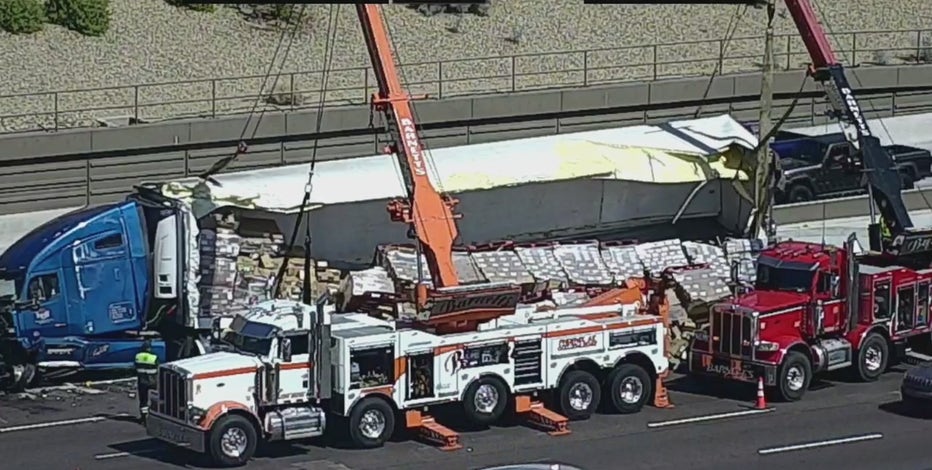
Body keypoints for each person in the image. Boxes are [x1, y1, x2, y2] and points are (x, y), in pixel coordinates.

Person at [134, 340, 159, 420]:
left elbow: (136, 367)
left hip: (142, 381)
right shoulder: (154, 357)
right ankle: (155, 414)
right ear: (149, 348)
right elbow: (157, 368)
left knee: (143, 400)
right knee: (156, 398)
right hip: (153, 381)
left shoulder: (138, 356)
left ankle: (143, 417)